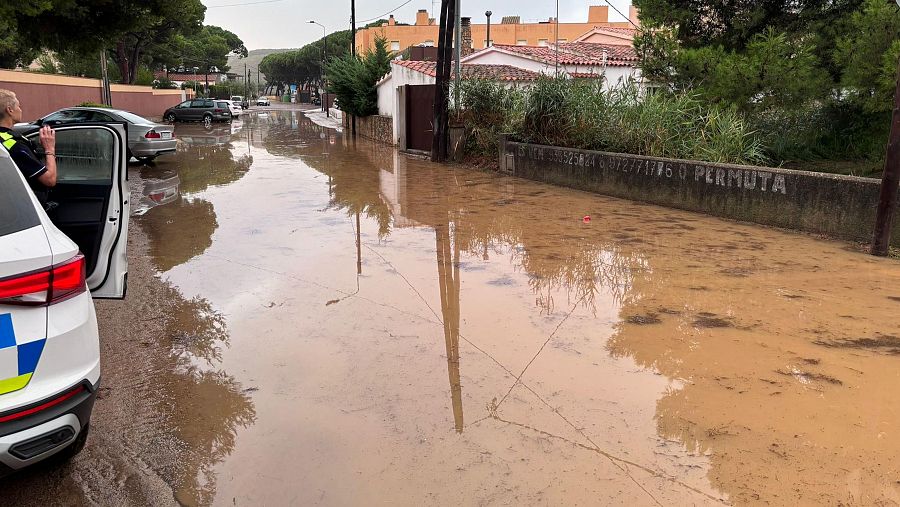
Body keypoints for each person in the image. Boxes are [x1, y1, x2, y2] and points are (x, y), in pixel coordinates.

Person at [0, 89, 56, 206]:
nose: (21, 110)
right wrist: (49, 148)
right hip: (26, 208)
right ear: (10, 110)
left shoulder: (5, 139)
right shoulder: (15, 145)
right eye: (19, 106)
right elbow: (50, 179)